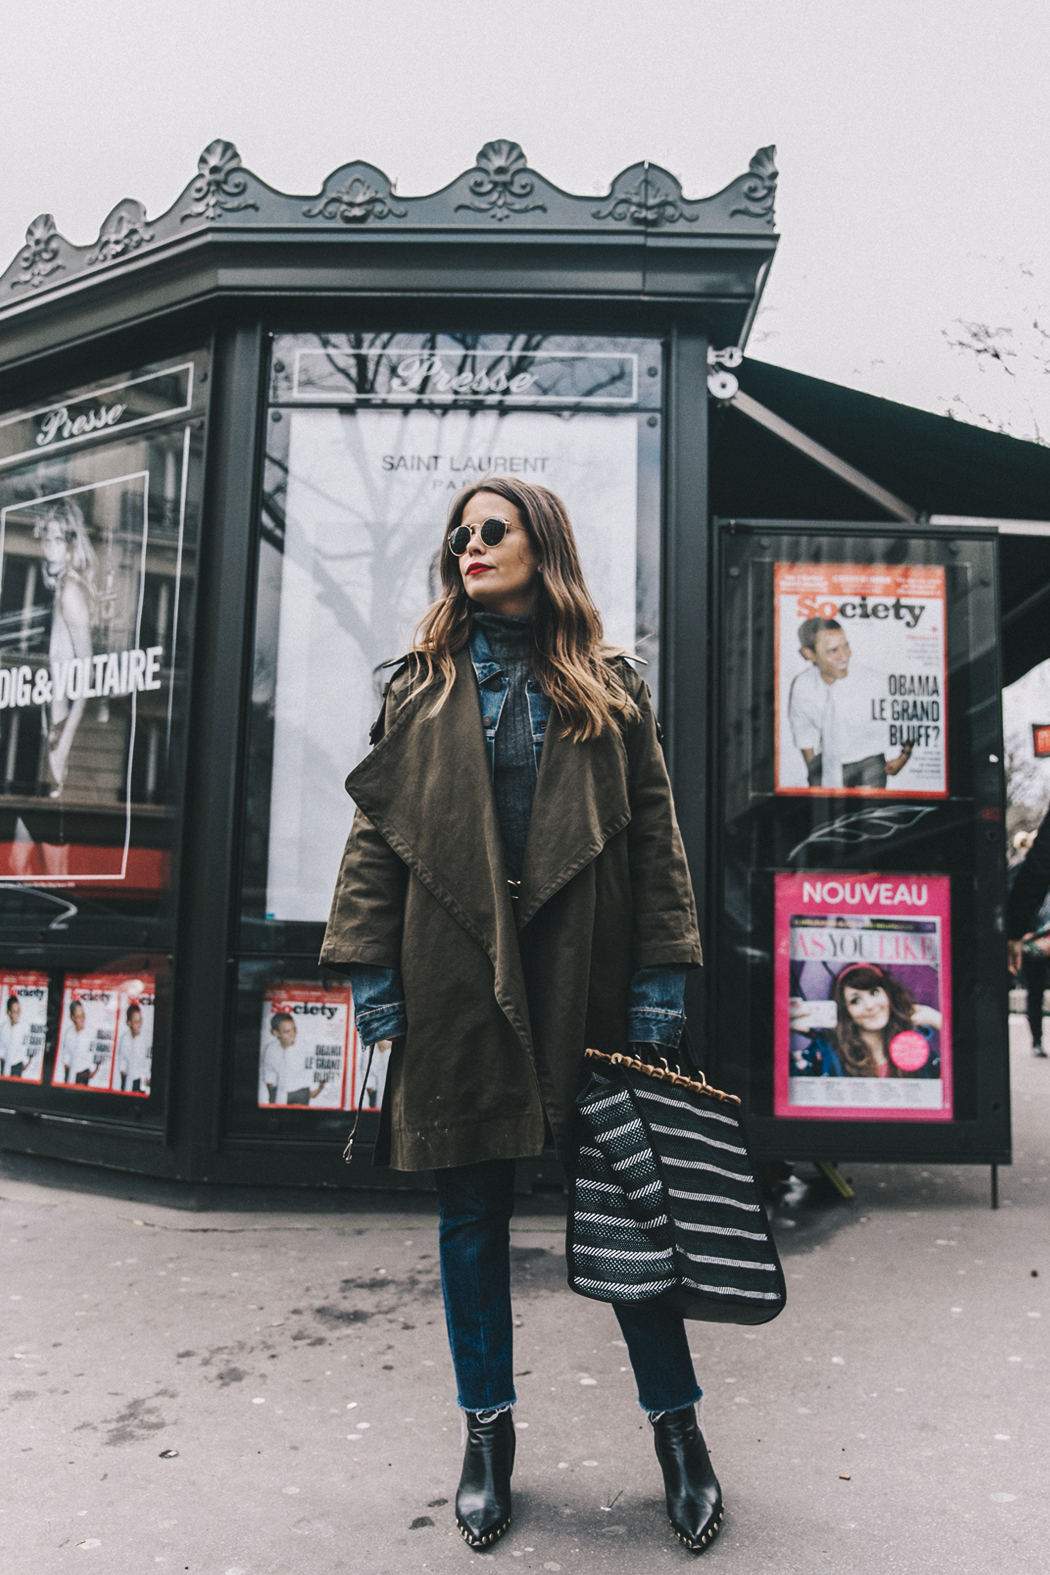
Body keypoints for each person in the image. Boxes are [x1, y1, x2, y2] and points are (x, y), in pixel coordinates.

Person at [321, 477, 720, 1555]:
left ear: (543, 545)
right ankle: (487, 1434)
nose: (470, 544)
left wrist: (661, 976)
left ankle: (678, 1434)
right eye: (459, 532)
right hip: (456, 979)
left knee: (632, 1214)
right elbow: (375, 843)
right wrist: (369, 972)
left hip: (585, 978)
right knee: (470, 1220)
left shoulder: (608, 685)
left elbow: (655, 841)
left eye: (492, 529)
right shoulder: (419, 687)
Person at [787, 617, 914, 789]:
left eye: (845, 645)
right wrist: (814, 770)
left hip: (869, 762)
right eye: (833, 650)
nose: (844, 656)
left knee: (871, 815)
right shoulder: (803, 686)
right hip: (828, 761)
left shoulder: (874, 681)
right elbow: (803, 731)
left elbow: (908, 719)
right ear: (810, 654)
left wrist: (903, 756)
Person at [33, 497, 98, 797]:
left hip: (62, 733)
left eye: (58, 538)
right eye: (47, 536)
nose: (49, 545)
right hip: (54, 728)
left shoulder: (72, 592)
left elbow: (87, 673)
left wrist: (64, 743)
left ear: (72, 545)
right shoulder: (61, 591)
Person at [790, 962, 942, 1077]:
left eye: (874, 992)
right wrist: (783, 1028)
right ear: (846, 1011)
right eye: (855, 1001)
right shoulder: (825, 1057)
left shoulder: (918, 1050)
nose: (870, 1005)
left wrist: (935, 1019)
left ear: (888, 994)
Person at [1008, 817, 1050, 1056]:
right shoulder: (1016, 870)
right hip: (1032, 940)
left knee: (1034, 991)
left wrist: (1014, 929)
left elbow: (1041, 863)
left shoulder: (1031, 869)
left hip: (1030, 935)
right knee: (1034, 991)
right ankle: (1037, 1039)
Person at [260, 1012, 324, 1106]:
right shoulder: (271, 1050)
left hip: (300, 1093)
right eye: (287, 1031)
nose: (293, 1034)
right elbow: (269, 1071)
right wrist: (272, 1093)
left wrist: (319, 1088)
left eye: (294, 1029)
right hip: (278, 1092)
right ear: (276, 1033)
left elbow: (320, 1067)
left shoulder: (306, 1048)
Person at [116, 1004, 151, 1093]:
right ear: (129, 1023)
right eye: (136, 1022)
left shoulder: (147, 1038)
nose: (139, 1024)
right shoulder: (125, 1038)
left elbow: (148, 1060)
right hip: (129, 1078)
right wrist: (122, 1070)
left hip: (143, 1078)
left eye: (140, 1020)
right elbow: (122, 1058)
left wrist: (148, 1077)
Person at [59, 998, 94, 1085]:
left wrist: (93, 1070)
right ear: (72, 1018)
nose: (82, 1019)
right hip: (71, 1072)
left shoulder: (90, 1033)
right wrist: (66, 1067)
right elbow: (66, 1053)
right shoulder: (69, 1033)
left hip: (84, 1072)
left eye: (83, 1015)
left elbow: (93, 1053)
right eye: (78, 1016)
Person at [0, 995, 29, 1079]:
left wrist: (26, 1061)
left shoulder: (24, 1027)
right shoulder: (4, 1027)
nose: (17, 1014)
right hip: (5, 1063)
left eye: (18, 1010)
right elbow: (1, 1044)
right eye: (14, 1011)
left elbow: (26, 1045)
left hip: (17, 1064)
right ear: (9, 1013)